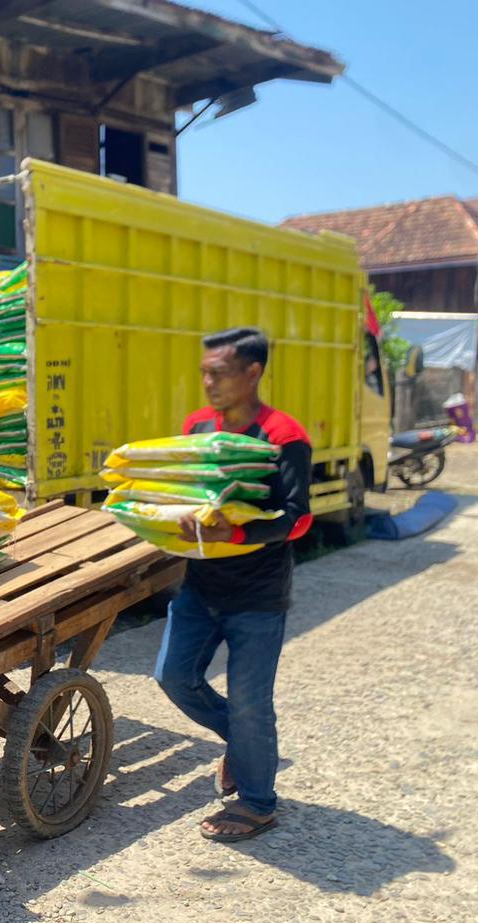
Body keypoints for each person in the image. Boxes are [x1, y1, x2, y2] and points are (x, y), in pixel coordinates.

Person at [154, 327, 312, 842]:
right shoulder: (198, 426)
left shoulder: (284, 435)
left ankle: (259, 803)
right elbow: (189, 489)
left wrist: (238, 532)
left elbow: (298, 517)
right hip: (200, 586)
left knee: (250, 702)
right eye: (204, 372)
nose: (208, 382)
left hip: (258, 596)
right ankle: (243, 746)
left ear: (253, 372)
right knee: (173, 677)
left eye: (218, 373)